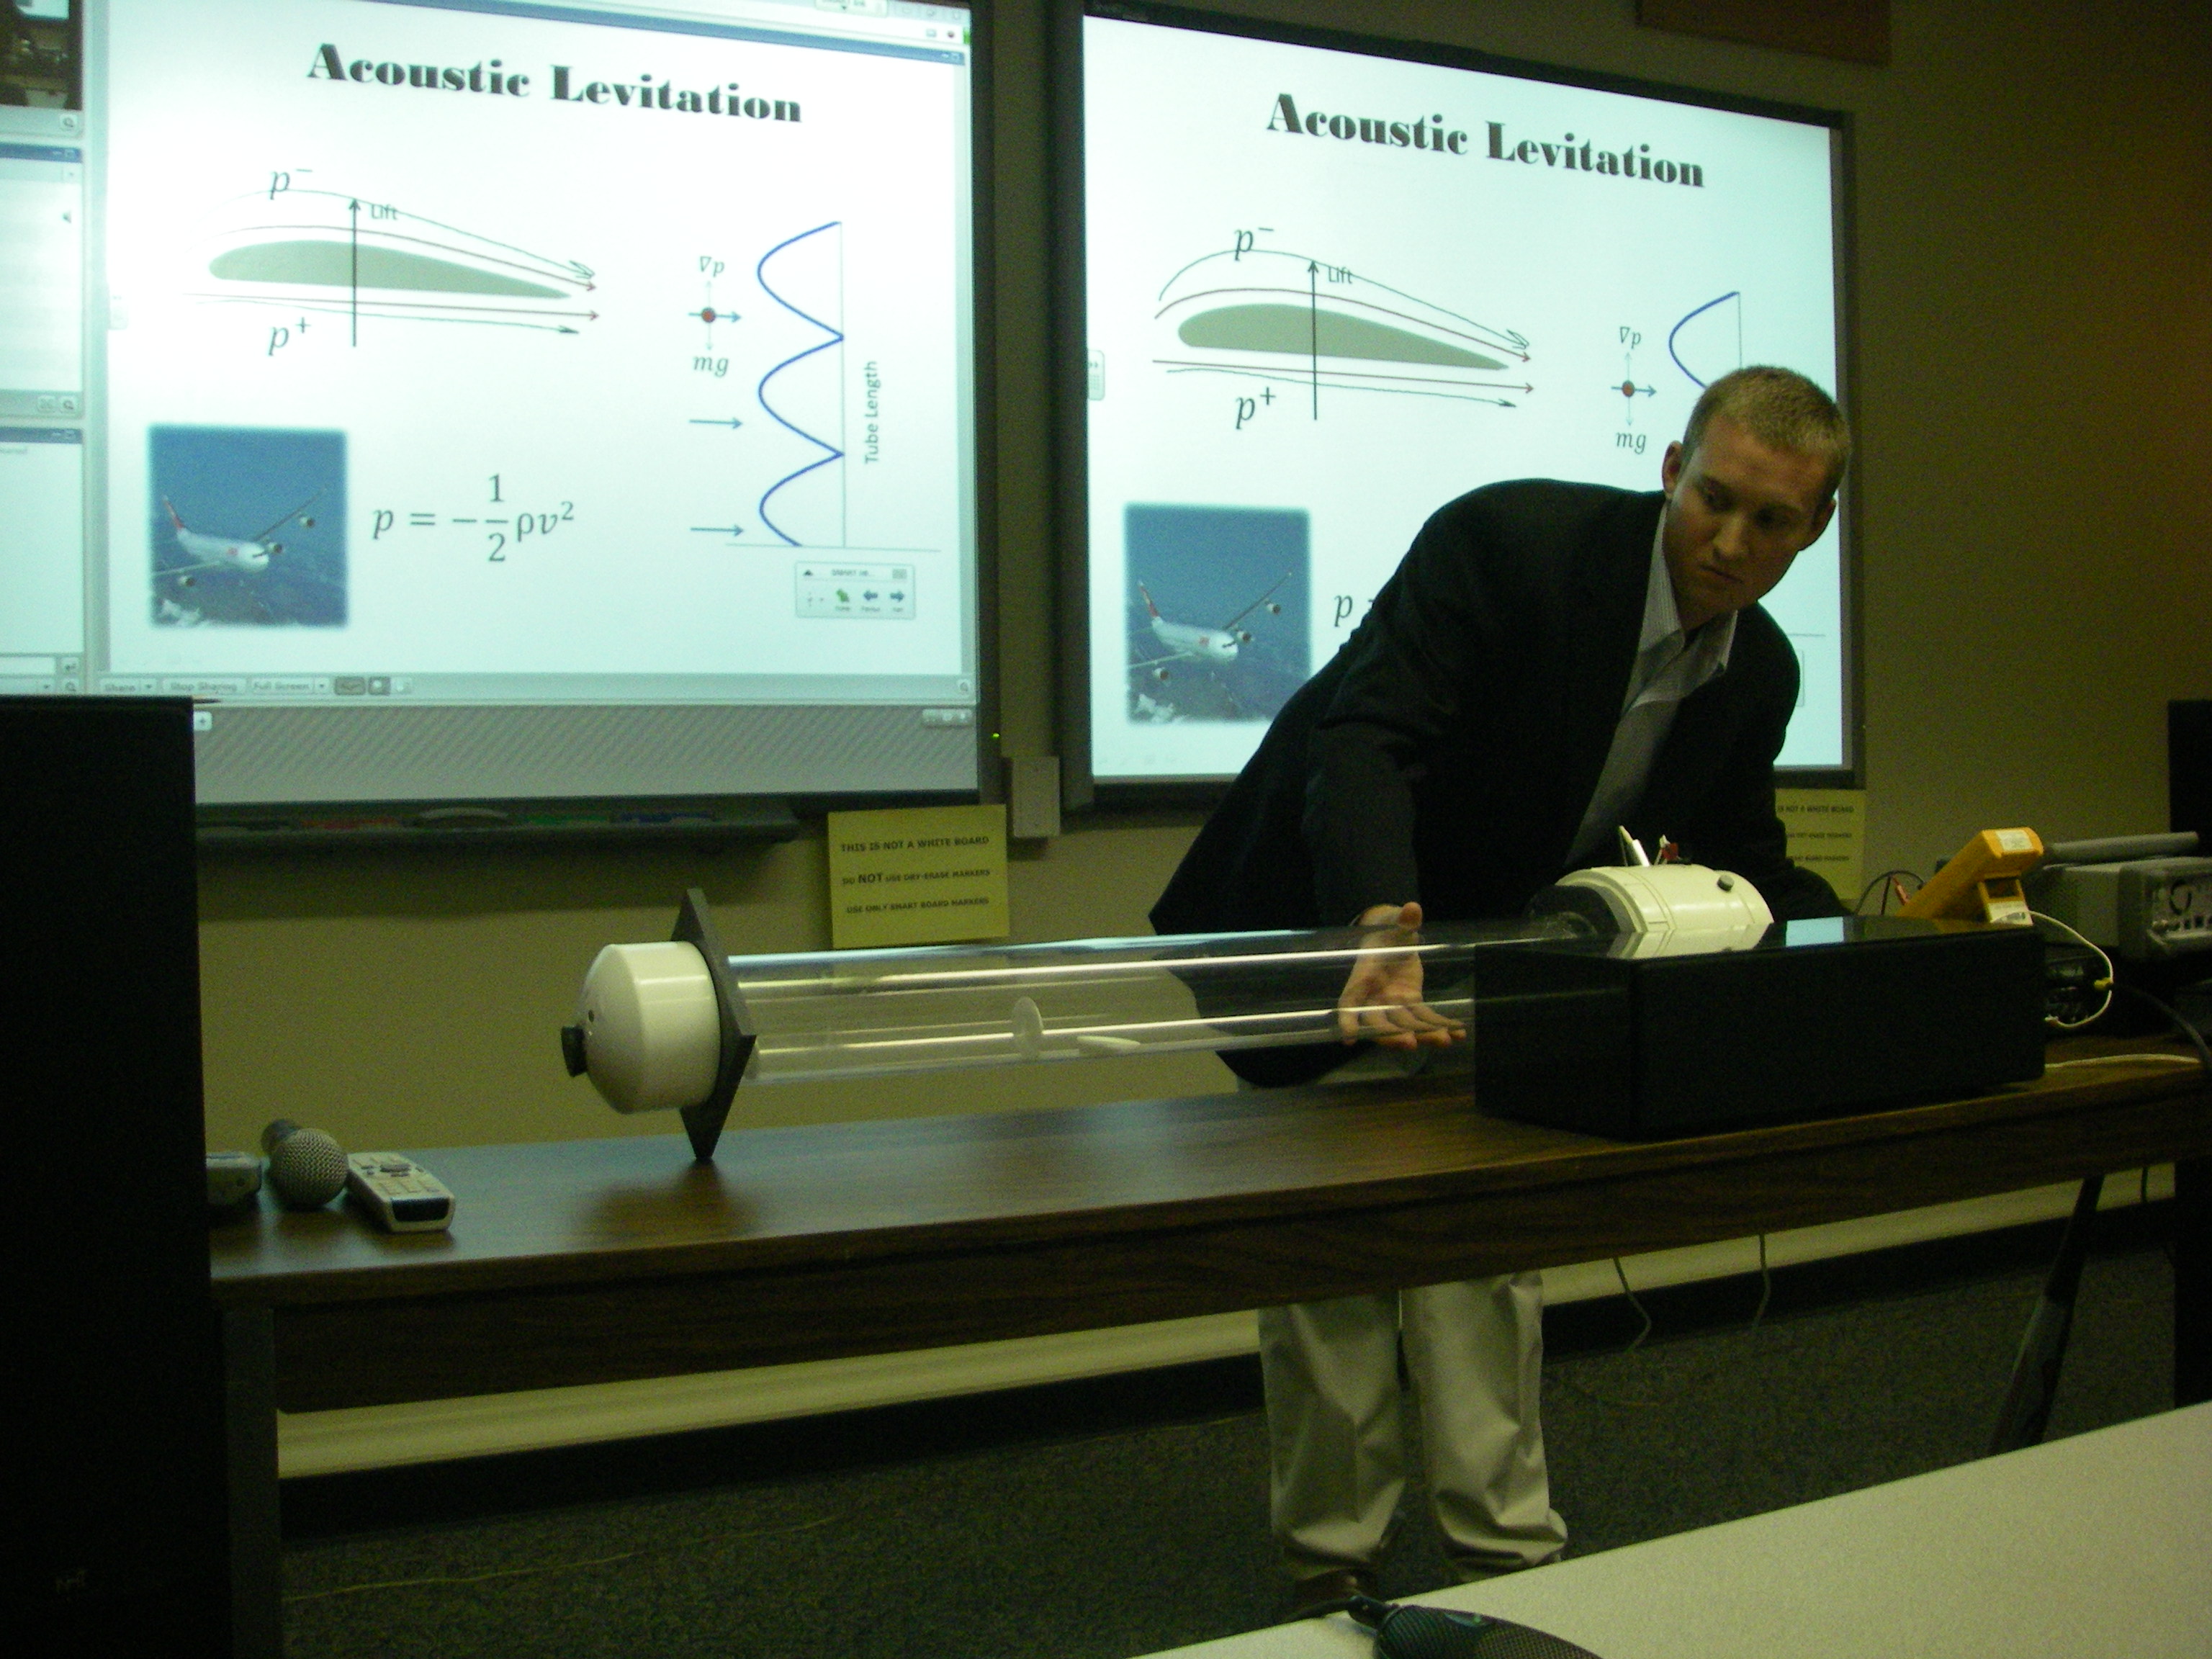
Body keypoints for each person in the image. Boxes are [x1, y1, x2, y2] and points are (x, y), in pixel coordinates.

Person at [1151, 366, 1851, 1611]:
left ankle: (1507, 1562)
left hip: (1497, 965)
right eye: (1716, 500)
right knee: (1335, 1260)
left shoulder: (1760, 670)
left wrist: (1875, 940)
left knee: (1486, 1249)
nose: (1733, 542)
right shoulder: (1510, 545)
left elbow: (1741, 845)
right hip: (1328, 908)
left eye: (1774, 521)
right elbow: (1366, 736)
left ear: (1816, 528)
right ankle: (1331, 1574)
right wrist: (1377, 922)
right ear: (1673, 471)